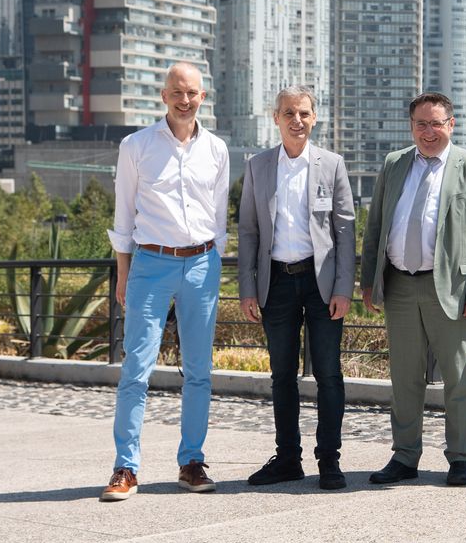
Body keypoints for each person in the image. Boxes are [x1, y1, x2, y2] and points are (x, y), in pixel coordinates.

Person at [101, 62, 230, 501]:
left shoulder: (216, 149)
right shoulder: (135, 145)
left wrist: (214, 262)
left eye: (192, 92)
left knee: (199, 373)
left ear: (203, 97)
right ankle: (125, 467)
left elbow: (219, 218)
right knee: (136, 370)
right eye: (177, 92)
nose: (185, 99)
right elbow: (123, 216)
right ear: (164, 96)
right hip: (150, 264)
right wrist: (124, 272)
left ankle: (192, 461)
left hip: (202, 265)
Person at [360, 92, 466, 487]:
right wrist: (369, 282)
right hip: (400, 287)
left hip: (454, 292)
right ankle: (405, 457)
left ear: (451, 125)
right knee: (404, 379)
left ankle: (460, 458)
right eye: (421, 124)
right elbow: (376, 228)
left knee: (458, 380)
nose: (428, 131)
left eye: (436, 123)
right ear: (411, 126)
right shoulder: (394, 165)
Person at [238, 87, 355, 490]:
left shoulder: (332, 164)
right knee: (282, 376)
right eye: (289, 112)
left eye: (304, 113)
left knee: (329, 375)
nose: (297, 120)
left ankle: (329, 461)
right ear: (276, 118)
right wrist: (248, 289)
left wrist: (344, 287)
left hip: (321, 285)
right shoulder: (258, 166)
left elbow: (344, 230)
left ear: (314, 117)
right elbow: (249, 232)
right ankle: (288, 458)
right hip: (276, 283)